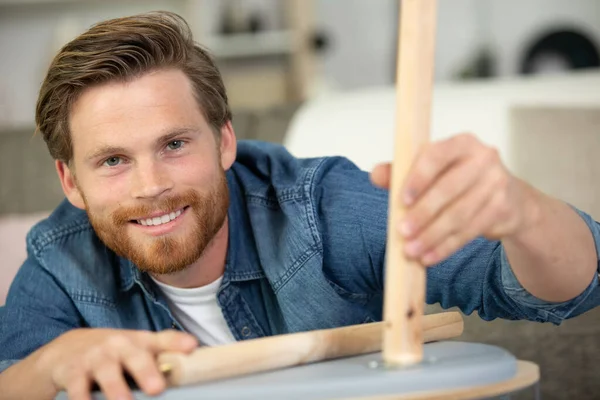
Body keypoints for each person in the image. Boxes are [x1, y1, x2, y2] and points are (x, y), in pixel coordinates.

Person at [1, 10, 599, 400]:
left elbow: (570, 287)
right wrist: (54, 362)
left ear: (225, 141)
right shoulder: (60, 260)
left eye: (175, 144)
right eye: (112, 160)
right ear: (71, 182)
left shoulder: (323, 211)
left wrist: (523, 212)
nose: (150, 184)